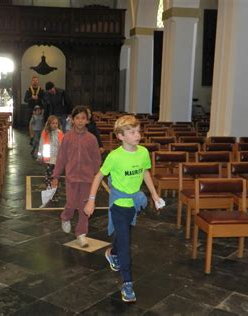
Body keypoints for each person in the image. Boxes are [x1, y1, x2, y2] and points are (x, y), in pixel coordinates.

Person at [83, 115, 163, 303]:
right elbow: (98, 177)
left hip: (133, 204)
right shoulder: (115, 156)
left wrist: (154, 194)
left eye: (138, 131)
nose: (138, 135)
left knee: (124, 234)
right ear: (120, 136)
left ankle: (112, 253)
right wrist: (91, 200)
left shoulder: (143, 152)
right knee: (126, 243)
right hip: (118, 205)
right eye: (132, 132)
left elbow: (145, 172)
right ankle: (128, 283)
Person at [51, 106, 101, 248]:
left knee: (85, 207)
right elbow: (61, 158)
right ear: (72, 120)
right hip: (71, 177)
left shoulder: (92, 139)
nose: (80, 121)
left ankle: (81, 234)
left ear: (87, 120)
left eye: (83, 118)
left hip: (87, 179)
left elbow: (96, 159)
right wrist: (56, 176)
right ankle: (65, 217)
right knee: (71, 203)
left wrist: (97, 175)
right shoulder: (67, 137)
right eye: (77, 118)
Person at [37, 115, 64, 189]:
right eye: (53, 123)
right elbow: (41, 144)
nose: (55, 125)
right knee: (49, 172)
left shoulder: (60, 133)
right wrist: (40, 156)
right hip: (48, 157)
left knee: (56, 173)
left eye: (56, 123)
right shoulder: (45, 132)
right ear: (49, 124)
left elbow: (62, 145)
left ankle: (54, 186)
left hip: (57, 157)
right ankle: (48, 185)